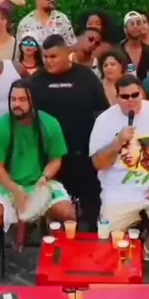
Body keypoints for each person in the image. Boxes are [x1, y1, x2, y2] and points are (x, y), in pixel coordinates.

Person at [89, 74, 149, 260]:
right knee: (108, 236)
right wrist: (117, 142)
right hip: (119, 187)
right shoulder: (104, 120)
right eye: (125, 97)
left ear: (142, 93)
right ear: (117, 97)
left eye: (135, 95)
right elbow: (98, 164)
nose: (131, 100)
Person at [29, 35, 109, 227]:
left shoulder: (86, 77)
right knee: (56, 205)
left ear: (67, 54)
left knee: (91, 202)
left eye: (53, 56)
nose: (48, 61)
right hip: (51, 154)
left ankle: (91, 234)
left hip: (83, 151)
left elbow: (102, 112)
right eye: (45, 57)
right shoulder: (36, 81)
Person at [0, 81, 76, 231]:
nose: (16, 104)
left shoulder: (50, 124)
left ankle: (40, 225)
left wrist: (45, 177)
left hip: (40, 182)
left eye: (22, 99)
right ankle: (20, 224)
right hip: (7, 183)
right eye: (13, 99)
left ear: (33, 101)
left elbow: (56, 160)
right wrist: (16, 191)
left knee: (67, 214)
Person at [120, 11, 149, 80]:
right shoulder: (117, 51)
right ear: (125, 29)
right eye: (132, 24)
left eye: (138, 23)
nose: (135, 26)